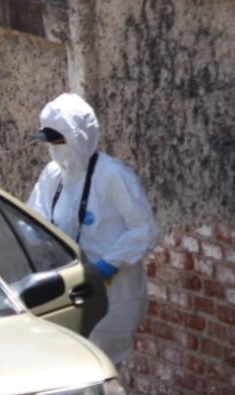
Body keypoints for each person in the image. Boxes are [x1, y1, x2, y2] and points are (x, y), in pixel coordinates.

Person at [28, 92, 160, 366]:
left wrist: (109, 264)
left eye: (59, 140)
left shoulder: (113, 176)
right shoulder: (53, 176)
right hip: (67, 290)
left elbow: (143, 229)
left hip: (113, 294)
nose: (54, 147)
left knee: (103, 367)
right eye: (50, 141)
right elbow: (33, 220)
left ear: (80, 137)